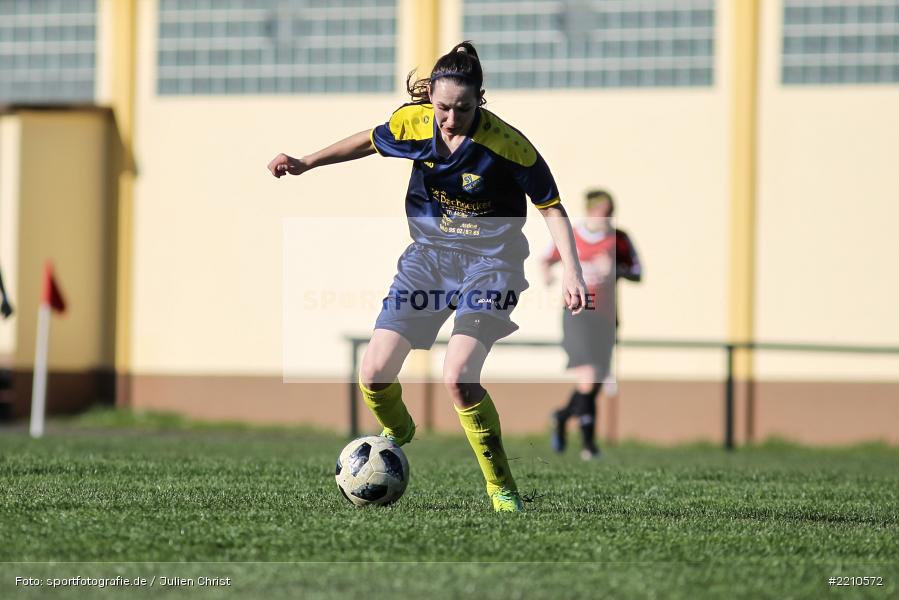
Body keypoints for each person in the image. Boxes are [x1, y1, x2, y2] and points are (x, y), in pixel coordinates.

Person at [268, 42, 587, 512]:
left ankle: (501, 488)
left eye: (462, 108)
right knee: (374, 373)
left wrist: (573, 273)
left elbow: (552, 208)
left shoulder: (508, 146)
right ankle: (397, 433)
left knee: (458, 375)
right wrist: (307, 161)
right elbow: (368, 141)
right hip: (429, 260)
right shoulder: (414, 123)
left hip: (490, 266)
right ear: (430, 100)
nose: (451, 119)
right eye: (442, 108)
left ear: (481, 99)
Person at [542, 189, 642, 460]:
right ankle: (589, 447)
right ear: (589, 211)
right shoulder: (573, 236)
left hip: (607, 317)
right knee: (588, 375)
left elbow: (637, 271)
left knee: (595, 381)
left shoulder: (619, 239)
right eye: (601, 210)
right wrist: (549, 277)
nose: (606, 216)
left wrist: (616, 270)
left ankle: (562, 416)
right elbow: (546, 259)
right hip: (577, 312)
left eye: (610, 211)